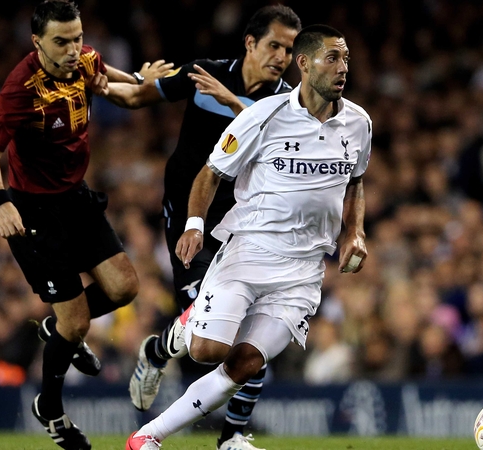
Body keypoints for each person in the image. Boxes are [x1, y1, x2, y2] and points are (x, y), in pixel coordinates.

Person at [124, 24, 371, 450]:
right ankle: (184, 330)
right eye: (333, 57)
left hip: (303, 273)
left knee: (246, 364)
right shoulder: (264, 114)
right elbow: (211, 172)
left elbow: (356, 183)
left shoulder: (359, 123)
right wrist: (195, 226)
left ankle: (149, 437)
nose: (342, 67)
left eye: (346, 58)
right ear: (305, 63)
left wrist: (355, 233)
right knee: (207, 351)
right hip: (249, 251)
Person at [0, 1, 172, 449]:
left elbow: (113, 78)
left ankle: (58, 329)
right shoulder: (21, 89)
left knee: (124, 287)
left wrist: (143, 81)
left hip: (76, 200)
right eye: (60, 41)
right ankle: (51, 408)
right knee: (78, 322)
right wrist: (0, 202)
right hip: (33, 213)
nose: (72, 48)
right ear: (37, 42)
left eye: (77, 37)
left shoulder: (85, 60)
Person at [102, 6, 301, 449]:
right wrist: (98, 82)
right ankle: (159, 352)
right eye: (274, 45)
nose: (282, 56)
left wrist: (234, 104)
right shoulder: (204, 73)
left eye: (288, 49)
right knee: (206, 330)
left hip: (244, 225)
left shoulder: (290, 102)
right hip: (189, 213)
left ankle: (232, 437)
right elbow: (136, 96)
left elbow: (276, 137)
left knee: (252, 336)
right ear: (250, 43)